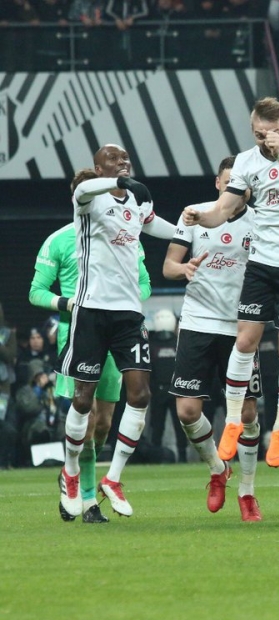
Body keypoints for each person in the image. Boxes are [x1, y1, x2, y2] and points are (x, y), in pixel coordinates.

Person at [182, 97, 279, 469]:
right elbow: (223, 210)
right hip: (261, 264)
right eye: (258, 134)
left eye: (270, 133)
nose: (264, 140)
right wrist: (200, 218)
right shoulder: (245, 162)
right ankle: (232, 421)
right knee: (244, 341)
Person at [58, 144, 176, 519]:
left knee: (140, 394)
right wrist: (117, 182)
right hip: (91, 311)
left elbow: (152, 224)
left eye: (125, 158)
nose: (122, 162)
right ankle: (71, 471)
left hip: (128, 314)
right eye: (113, 158)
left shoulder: (135, 200)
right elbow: (81, 190)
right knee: (83, 400)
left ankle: (113, 477)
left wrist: (188, 233)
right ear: (98, 168)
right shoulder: (88, 199)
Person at [29, 168, 153, 521]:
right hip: (78, 330)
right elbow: (36, 292)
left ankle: (80, 478)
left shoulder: (125, 234)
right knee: (88, 414)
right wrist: (68, 303)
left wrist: (128, 300)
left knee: (103, 425)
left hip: (118, 329)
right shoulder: (59, 240)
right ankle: (87, 500)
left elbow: (145, 284)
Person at [164, 156, 263, 522]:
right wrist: (184, 268)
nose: (234, 188)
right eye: (228, 182)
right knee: (187, 412)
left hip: (241, 327)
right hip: (198, 321)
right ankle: (217, 469)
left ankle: (247, 492)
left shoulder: (261, 222)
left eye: (241, 184)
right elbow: (168, 266)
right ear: (218, 184)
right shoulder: (194, 214)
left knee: (247, 413)